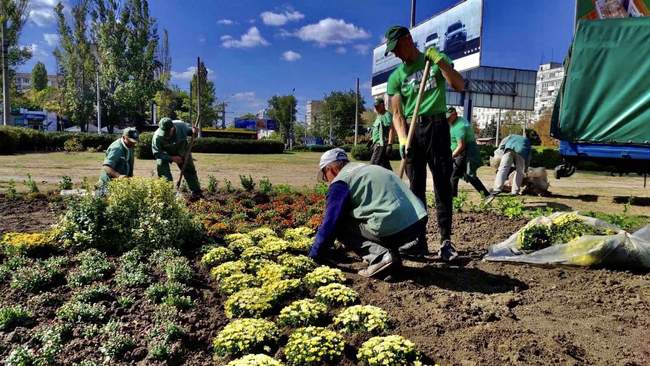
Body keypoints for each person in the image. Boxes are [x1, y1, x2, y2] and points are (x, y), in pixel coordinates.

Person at [384, 25, 465, 261]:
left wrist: (440, 62)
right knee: (415, 189)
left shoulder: (432, 60)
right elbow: (397, 114)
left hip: (437, 127)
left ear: (408, 39)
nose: (397, 54)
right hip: (412, 131)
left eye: (397, 47)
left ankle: (445, 243)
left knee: (442, 184)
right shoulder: (395, 77)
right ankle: (419, 240)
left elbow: (459, 84)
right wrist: (401, 139)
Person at [308, 148, 428, 279]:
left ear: (330, 169)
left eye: (325, 175)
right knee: (372, 215)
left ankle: (380, 257)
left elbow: (331, 222)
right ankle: (392, 262)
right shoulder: (368, 168)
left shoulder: (341, 181)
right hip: (417, 222)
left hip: (394, 227)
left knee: (341, 225)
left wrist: (315, 255)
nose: (327, 180)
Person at [152, 117, 202, 200]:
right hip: (165, 154)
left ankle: (196, 192)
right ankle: (167, 193)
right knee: (162, 169)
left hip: (182, 150)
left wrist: (195, 132)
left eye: (168, 132)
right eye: (164, 132)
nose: (166, 135)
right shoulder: (157, 137)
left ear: (173, 127)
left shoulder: (182, 126)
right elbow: (157, 153)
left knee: (189, 170)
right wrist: (171, 158)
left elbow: (191, 132)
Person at [448, 107, 490, 197]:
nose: (447, 119)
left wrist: (452, 156)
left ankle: (453, 199)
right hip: (462, 151)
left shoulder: (460, 126)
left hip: (464, 152)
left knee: (455, 174)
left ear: (455, 115)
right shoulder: (456, 122)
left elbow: (461, 146)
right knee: (466, 175)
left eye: (449, 117)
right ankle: (486, 195)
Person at [489, 133, 532, 198]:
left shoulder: (511, 136)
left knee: (503, 169)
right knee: (520, 171)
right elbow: (528, 157)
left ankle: (497, 189)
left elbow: (502, 145)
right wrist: (525, 169)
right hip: (522, 151)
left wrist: (500, 155)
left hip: (509, 149)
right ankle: (515, 191)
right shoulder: (527, 141)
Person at [97, 127, 139, 193]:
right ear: (124, 137)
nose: (132, 143)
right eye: (130, 141)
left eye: (134, 141)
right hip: (107, 185)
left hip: (119, 185)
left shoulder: (129, 147)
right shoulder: (117, 148)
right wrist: (118, 176)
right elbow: (106, 167)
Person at [369, 97, 394, 170]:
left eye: (377, 106)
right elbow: (377, 129)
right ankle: (393, 180)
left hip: (381, 145)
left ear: (382, 105)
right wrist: (371, 140)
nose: (376, 108)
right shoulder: (378, 116)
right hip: (376, 144)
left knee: (372, 166)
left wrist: (390, 144)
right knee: (385, 166)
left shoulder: (387, 114)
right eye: (375, 106)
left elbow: (392, 129)